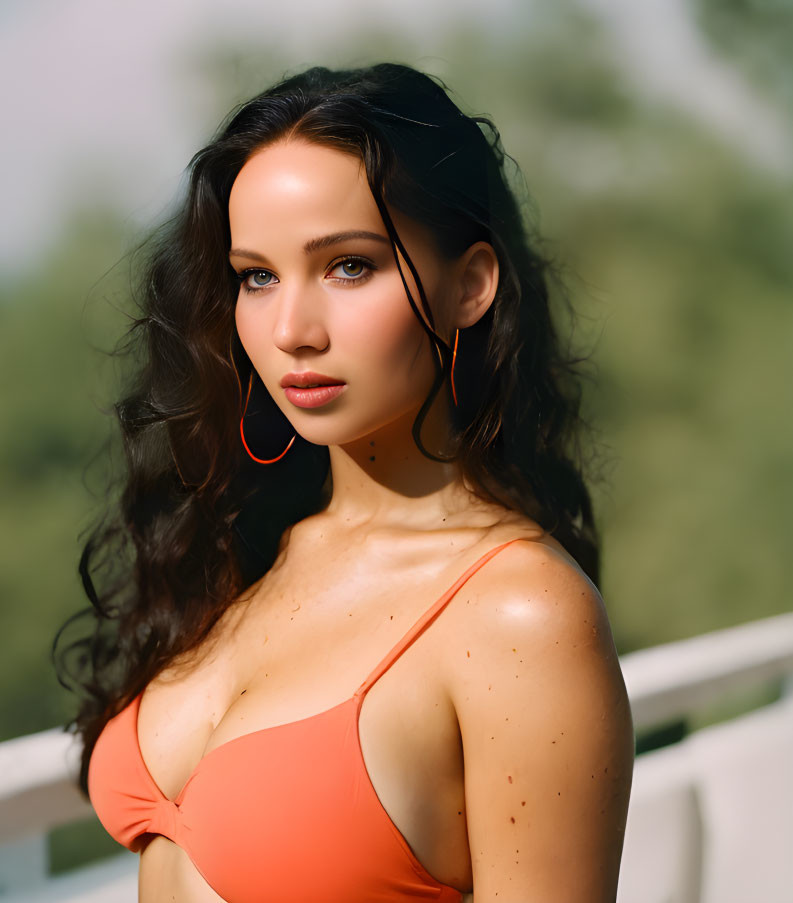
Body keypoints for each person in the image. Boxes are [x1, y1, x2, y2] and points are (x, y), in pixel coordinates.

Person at [54, 62, 634, 903]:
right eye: (256, 276)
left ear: (469, 285)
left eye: (349, 266)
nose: (291, 329)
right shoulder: (246, 546)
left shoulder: (518, 614)